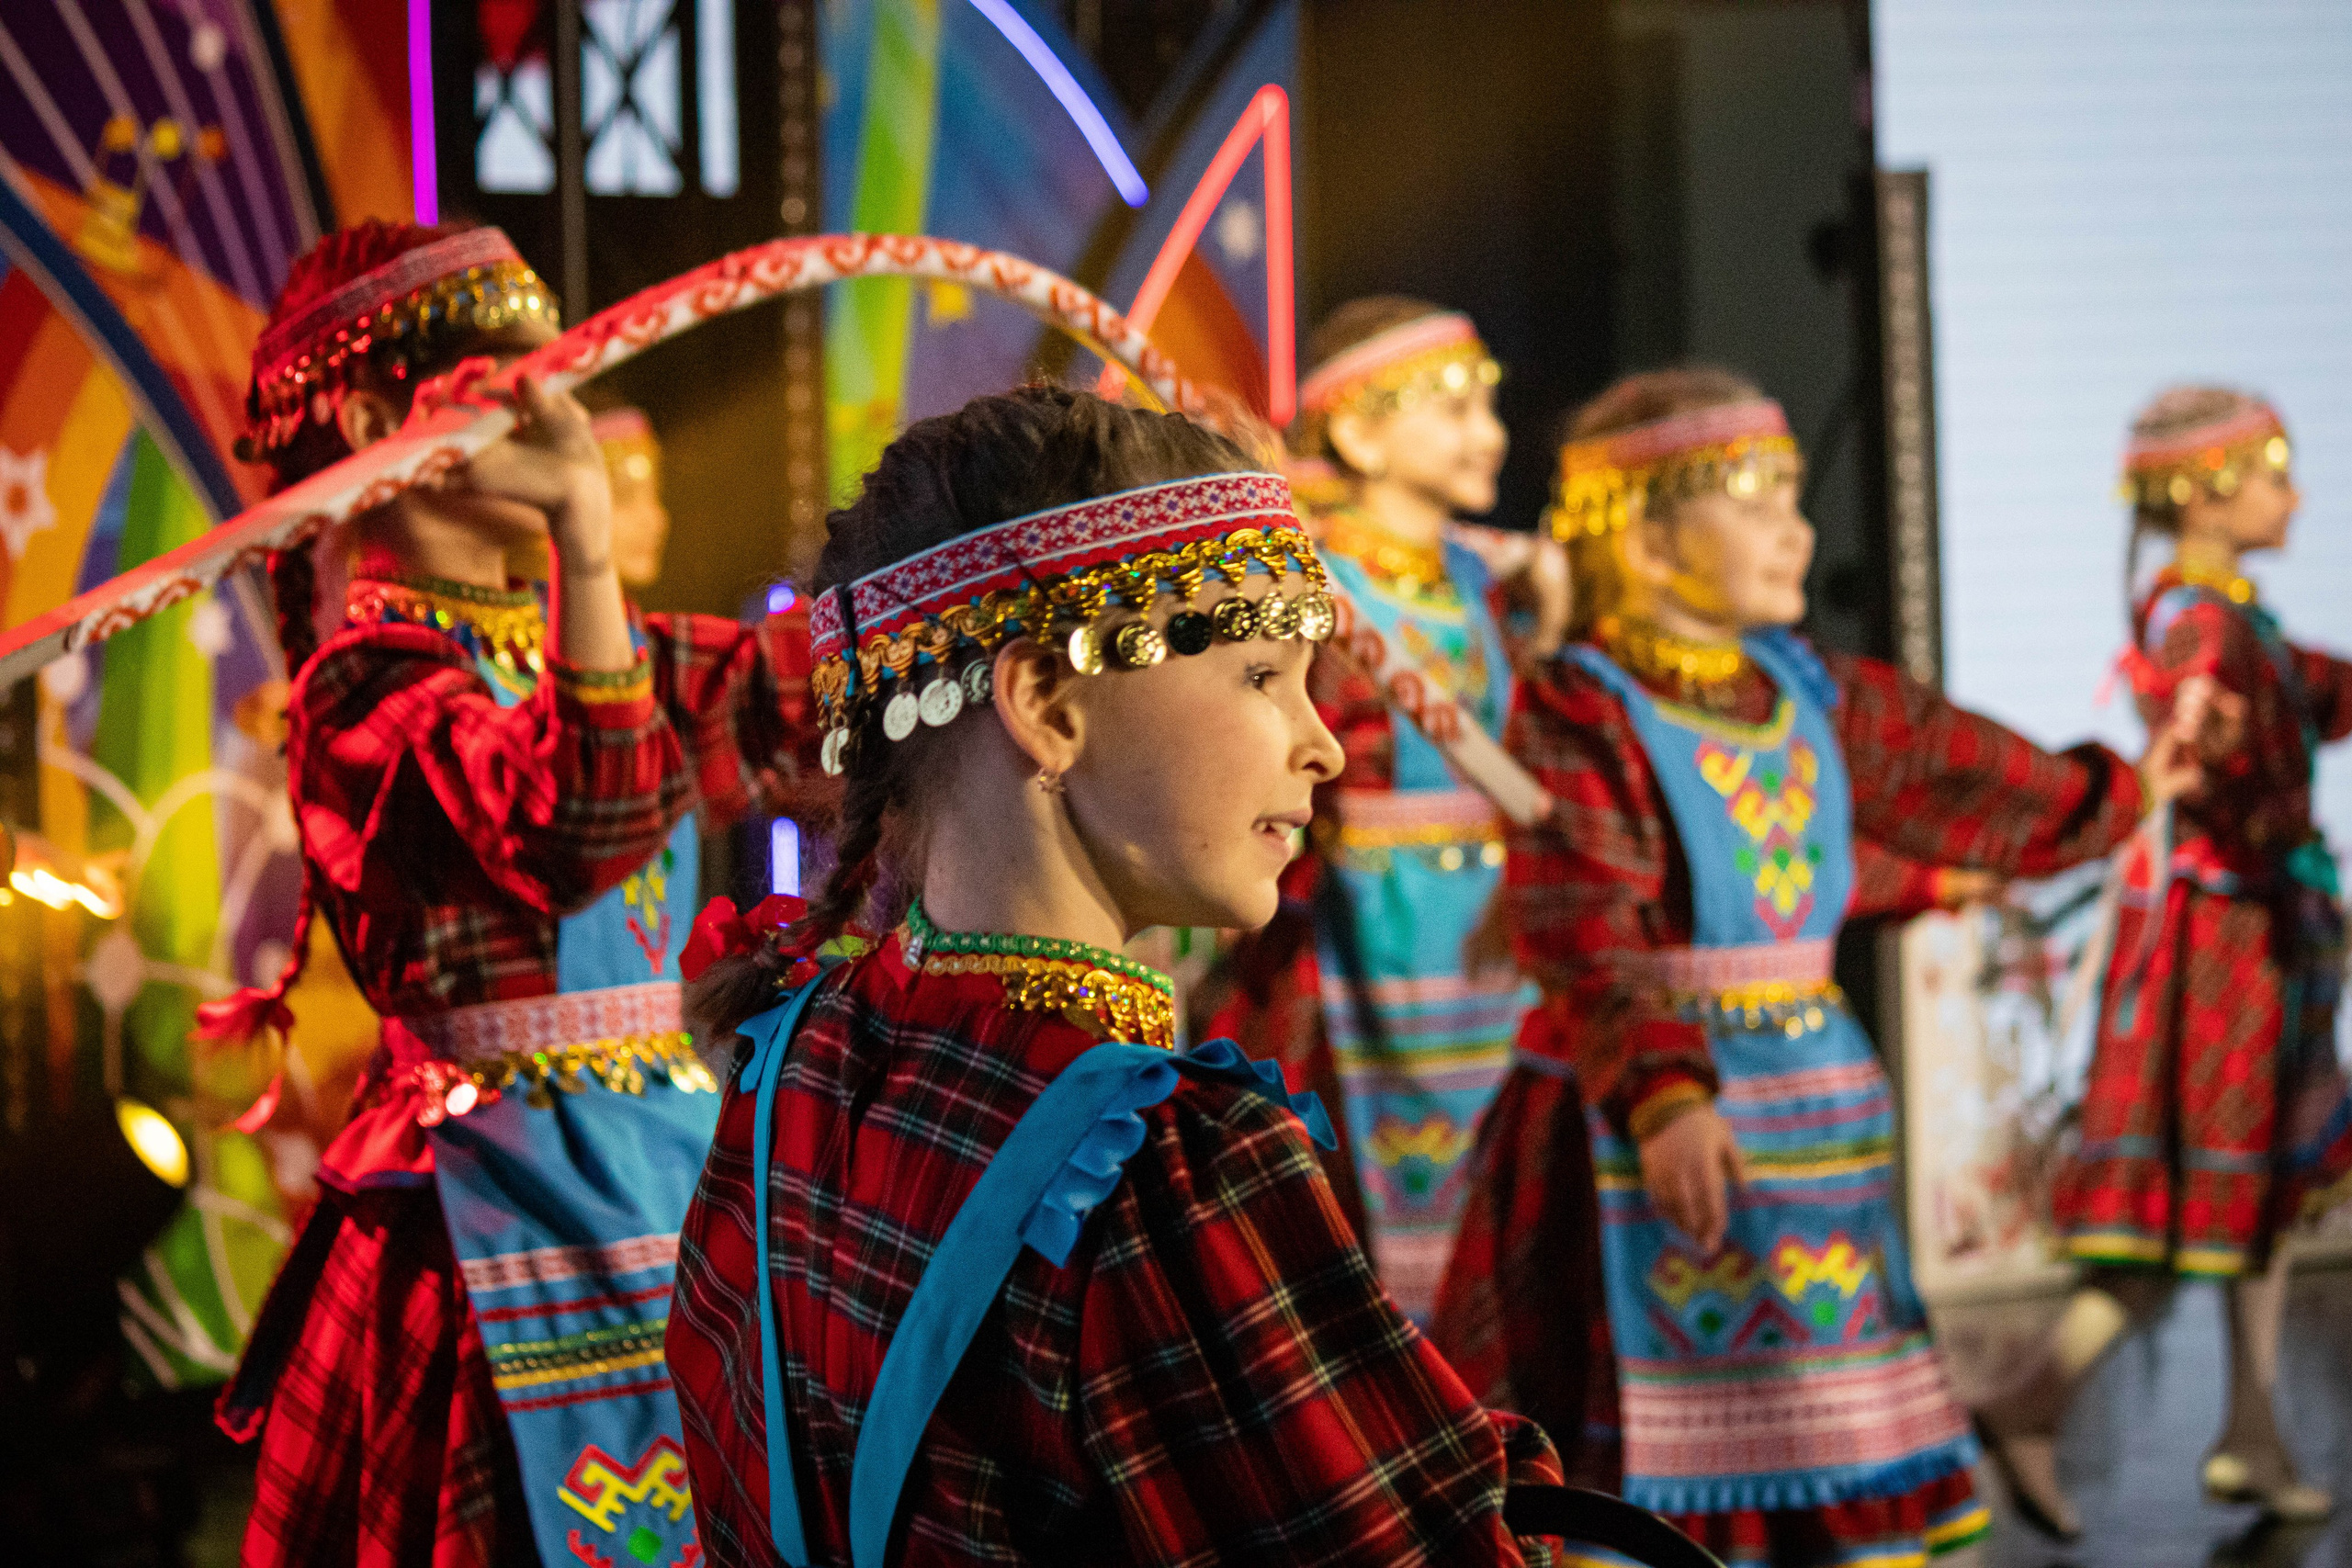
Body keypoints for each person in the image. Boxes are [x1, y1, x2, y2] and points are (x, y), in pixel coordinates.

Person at [665, 386, 1573, 1565]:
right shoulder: (1162, 1168)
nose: (1325, 741)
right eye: (1260, 676)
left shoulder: (789, 1056)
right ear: (1047, 702)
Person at [1433, 367, 2209, 1567]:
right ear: (1644, 539)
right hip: (1641, 1130)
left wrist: (2111, 796)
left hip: (1815, 1126)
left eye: (1794, 493)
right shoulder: (1581, 708)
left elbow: (1955, 781)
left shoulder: (1808, 687)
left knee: (1828, 1411)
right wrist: (1669, 1091)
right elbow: (1591, 924)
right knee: (1654, 1446)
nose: (1797, 526)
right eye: (1756, 499)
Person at [202, 219, 826, 1567]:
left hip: (668, 1184)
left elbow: (813, 687)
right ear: (378, 417)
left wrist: (1004, 578)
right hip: (488, 1232)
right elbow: (574, 825)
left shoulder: (595, 652)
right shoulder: (360, 691)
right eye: (517, 378)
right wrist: (586, 551)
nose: (563, 410)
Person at [1979, 387, 2352, 1535]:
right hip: (2220, 946)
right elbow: (2181, 694)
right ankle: (2033, 1401)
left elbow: (2311, 695)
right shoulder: (2198, 621)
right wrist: (2190, 725)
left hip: (2256, 933)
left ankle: (2249, 1429)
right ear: (2201, 489)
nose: (2291, 493)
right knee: (2197, 1201)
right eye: (2270, 470)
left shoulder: (2235, 615)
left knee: (2256, 1205)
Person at [1205, 299, 1543, 1323]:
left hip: (1488, 941)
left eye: (1486, 407)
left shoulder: (1477, 578)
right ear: (1357, 432)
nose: (1485, 434)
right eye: (1449, 409)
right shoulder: (1312, 574)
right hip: (1356, 936)